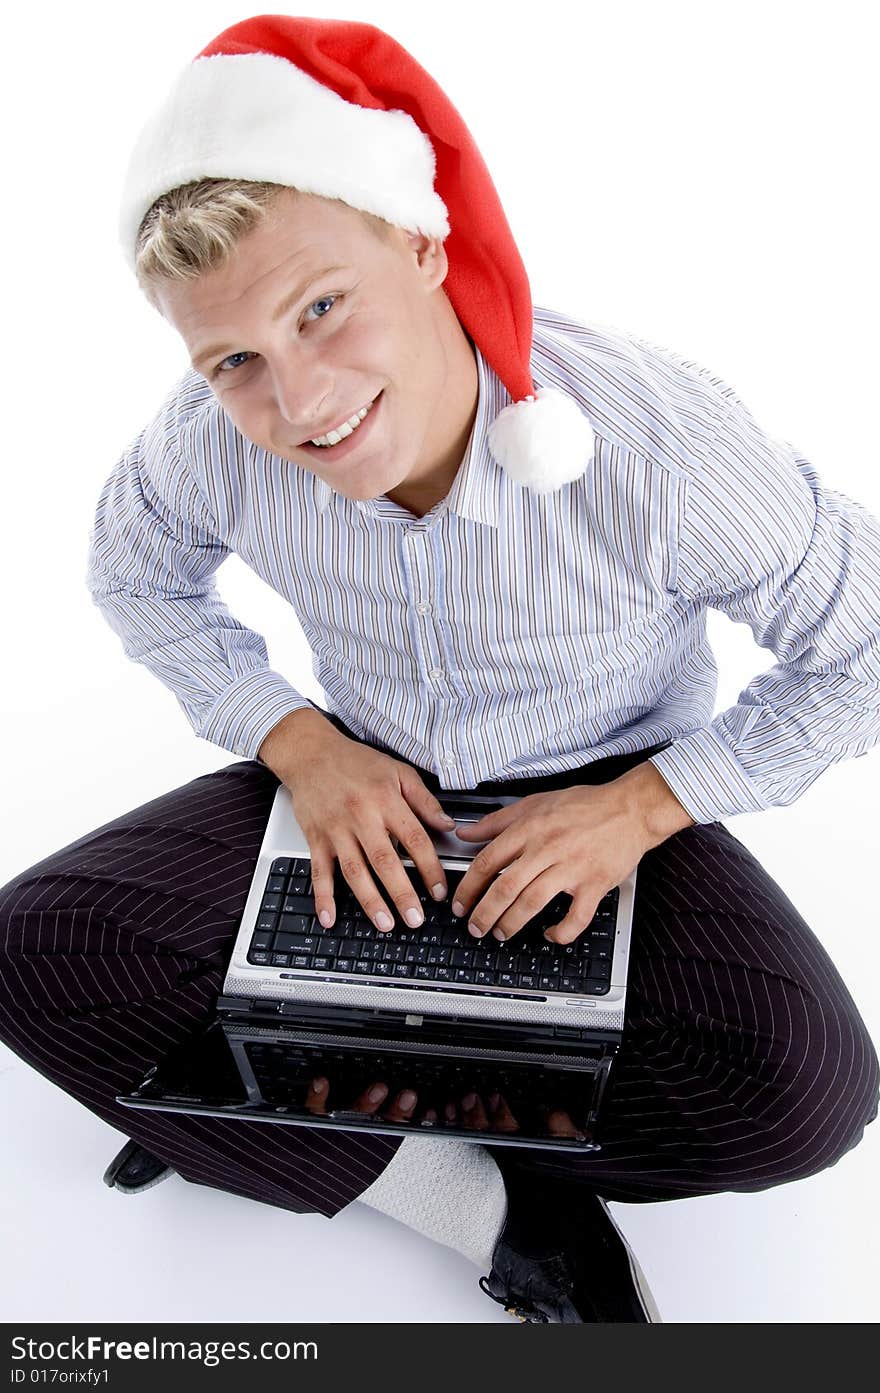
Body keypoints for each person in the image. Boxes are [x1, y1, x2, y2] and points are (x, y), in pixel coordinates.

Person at [0, 13, 878, 1324]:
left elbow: (862, 641)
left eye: (321, 309)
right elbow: (136, 577)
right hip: (368, 773)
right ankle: (490, 1198)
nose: (298, 405)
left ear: (422, 244)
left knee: (807, 1098)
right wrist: (298, 740)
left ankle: (277, 1105)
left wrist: (646, 805)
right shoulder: (206, 439)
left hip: (608, 792)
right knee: (36, 950)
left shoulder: (660, 439)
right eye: (235, 359)